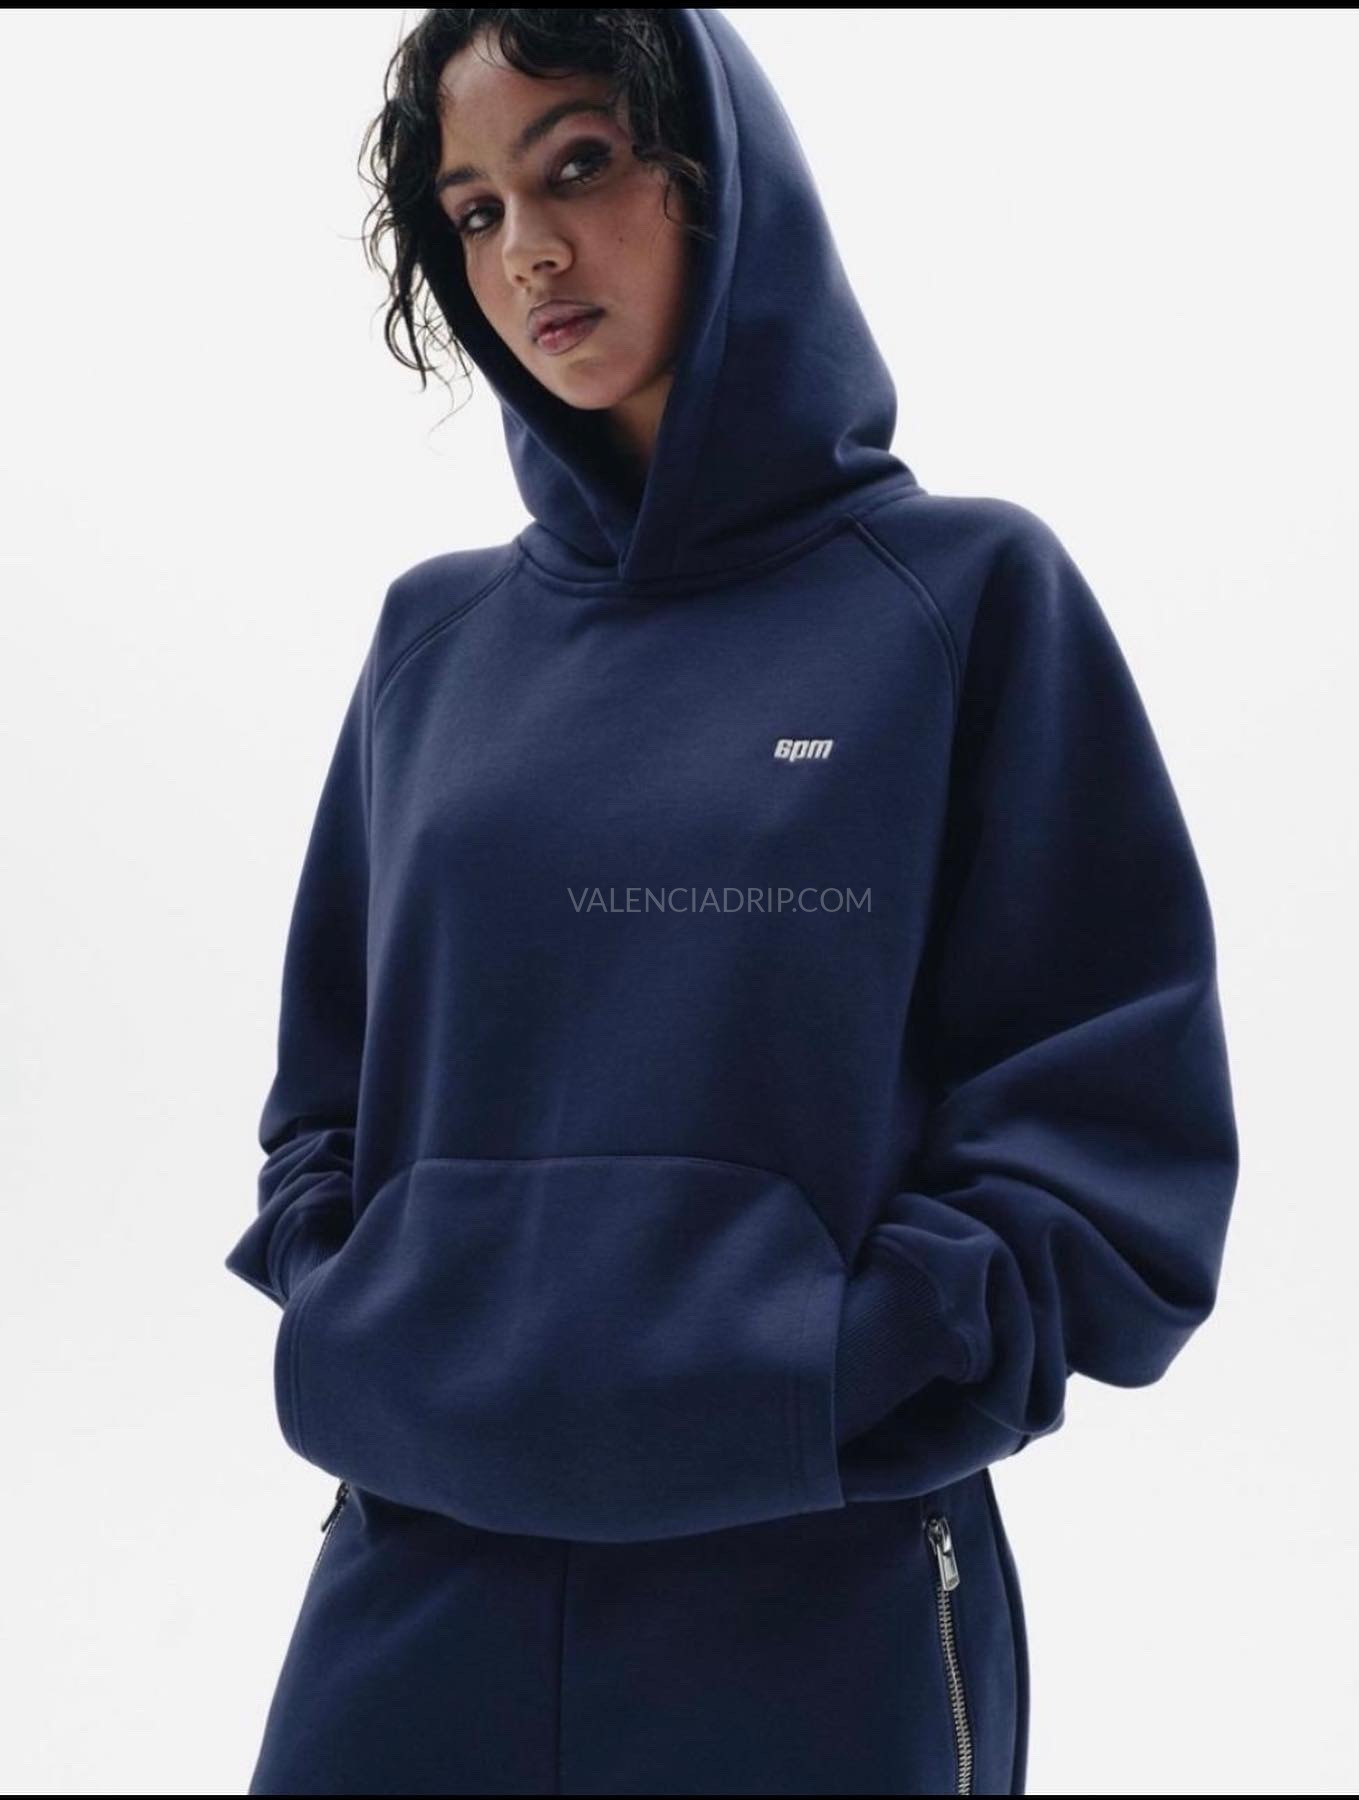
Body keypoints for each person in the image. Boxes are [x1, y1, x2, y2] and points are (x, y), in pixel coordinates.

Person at [223, 9, 1241, 1795]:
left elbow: (1117, 1122)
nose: (529, 252)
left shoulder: (963, 598)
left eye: (579, 164)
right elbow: (326, 1098)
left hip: (812, 1590)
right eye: (476, 210)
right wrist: (365, 1308)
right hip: (416, 1566)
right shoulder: (435, 639)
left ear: (723, 176)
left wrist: (849, 1362)